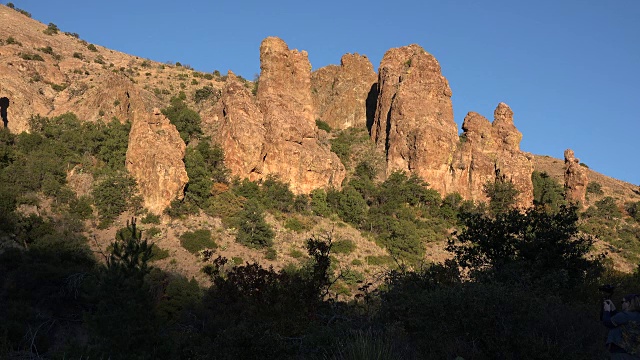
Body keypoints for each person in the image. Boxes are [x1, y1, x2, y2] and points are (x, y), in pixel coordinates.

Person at [603, 294, 640, 359]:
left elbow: (607, 322)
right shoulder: (636, 315)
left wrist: (606, 310)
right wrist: (613, 309)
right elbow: (621, 321)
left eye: (622, 302)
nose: (621, 304)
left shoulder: (625, 315)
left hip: (621, 353)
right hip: (634, 353)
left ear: (628, 303)